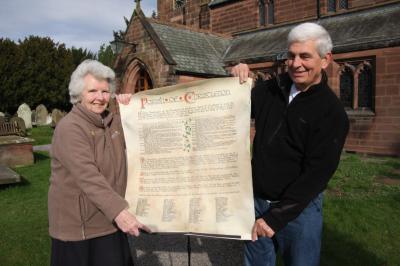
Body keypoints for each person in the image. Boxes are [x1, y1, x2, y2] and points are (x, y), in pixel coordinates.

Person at [232, 22, 349, 266]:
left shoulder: (332, 112)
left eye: (305, 56)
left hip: (299, 211)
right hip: (256, 202)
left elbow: (316, 175)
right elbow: (232, 107)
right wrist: (237, 80)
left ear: (325, 60)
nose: (296, 64)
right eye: (291, 55)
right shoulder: (272, 89)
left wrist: (275, 218)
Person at [48, 59, 150, 266]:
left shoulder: (113, 123)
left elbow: (145, 139)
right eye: (92, 91)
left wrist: (131, 109)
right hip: (80, 228)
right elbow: (88, 176)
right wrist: (121, 213)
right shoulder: (70, 128)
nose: (100, 98)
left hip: (109, 218)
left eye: (105, 91)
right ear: (78, 94)